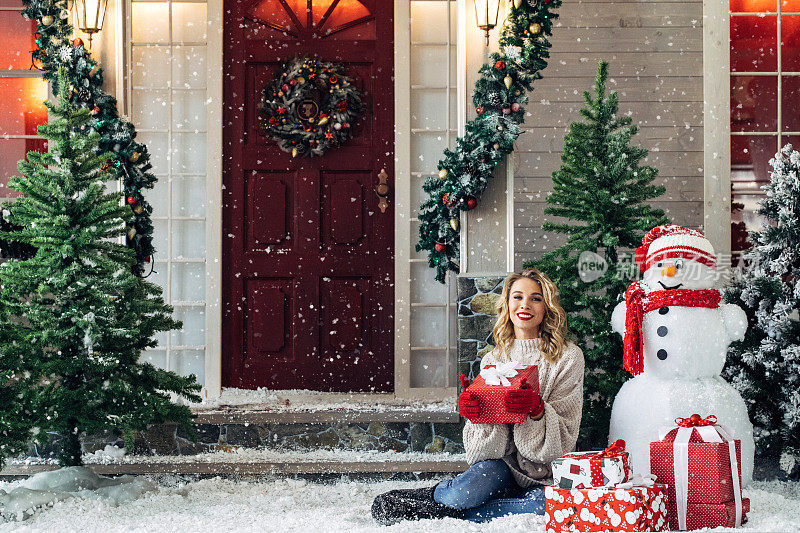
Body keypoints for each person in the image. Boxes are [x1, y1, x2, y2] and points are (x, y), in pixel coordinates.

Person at [372, 268, 585, 524]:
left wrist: (537, 412)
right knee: (466, 489)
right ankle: (439, 497)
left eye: (536, 298)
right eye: (517, 297)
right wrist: (480, 415)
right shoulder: (495, 359)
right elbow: (481, 454)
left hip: (548, 473)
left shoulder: (568, 357)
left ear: (547, 307)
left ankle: (449, 513)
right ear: (507, 303)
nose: (525, 305)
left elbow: (560, 444)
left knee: (543, 507)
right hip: (502, 467)